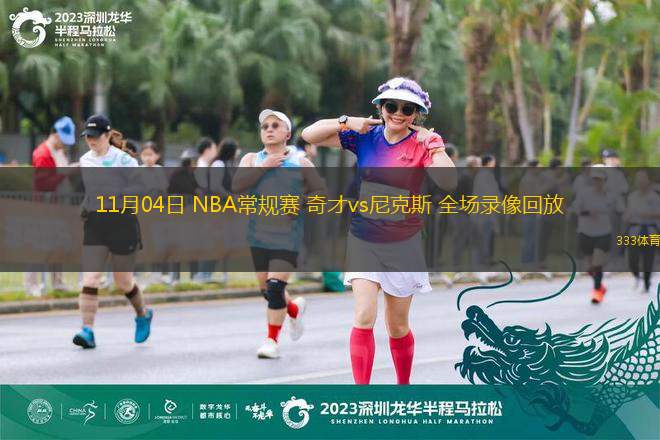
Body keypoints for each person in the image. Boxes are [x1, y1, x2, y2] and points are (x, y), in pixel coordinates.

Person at [301, 77, 456, 384]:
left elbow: (449, 181)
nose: (398, 113)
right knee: (363, 316)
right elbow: (309, 134)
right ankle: (363, 394)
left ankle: (403, 387)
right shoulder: (366, 136)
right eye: (391, 106)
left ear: (416, 114)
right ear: (381, 107)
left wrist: (434, 145)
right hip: (364, 238)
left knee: (397, 326)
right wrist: (346, 121)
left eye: (407, 109)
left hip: (404, 242)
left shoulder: (422, 144)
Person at [233, 109, 325, 359]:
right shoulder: (251, 159)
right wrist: (264, 167)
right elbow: (237, 186)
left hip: (288, 235)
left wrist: (301, 204)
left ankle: (271, 341)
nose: (269, 129)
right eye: (265, 126)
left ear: (287, 133)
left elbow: (320, 192)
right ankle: (293, 309)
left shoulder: (301, 162)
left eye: (275, 125)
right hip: (257, 234)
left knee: (275, 287)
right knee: (266, 289)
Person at [73, 114, 153, 349]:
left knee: (123, 281)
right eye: (87, 136)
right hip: (96, 223)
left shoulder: (124, 160)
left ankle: (143, 314)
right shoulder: (85, 160)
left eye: (95, 136)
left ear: (108, 135)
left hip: (122, 222)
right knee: (90, 278)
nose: (91, 140)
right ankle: (87, 330)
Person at [26, 116, 78, 296]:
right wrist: (66, 173)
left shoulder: (58, 152)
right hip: (44, 207)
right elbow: (42, 183)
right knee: (38, 247)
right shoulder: (43, 154)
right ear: (55, 135)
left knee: (58, 245)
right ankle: (32, 285)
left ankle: (57, 282)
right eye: (63, 140)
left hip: (58, 207)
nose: (65, 145)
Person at [571, 165, 623, 304]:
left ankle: (596, 292)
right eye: (595, 179)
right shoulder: (584, 193)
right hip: (586, 232)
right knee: (590, 267)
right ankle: (600, 286)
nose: (597, 182)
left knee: (597, 263)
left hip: (603, 233)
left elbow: (620, 208)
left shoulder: (611, 196)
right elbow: (576, 209)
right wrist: (588, 213)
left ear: (605, 180)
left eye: (600, 179)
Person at [624, 170, 660, 294]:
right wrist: (626, 217)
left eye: (643, 179)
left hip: (650, 230)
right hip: (635, 230)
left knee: (648, 258)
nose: (641, 182)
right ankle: (636, 275)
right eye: (639, 180)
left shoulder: (654, 197)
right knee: (632, 259)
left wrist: (647, 214)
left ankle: (646, 283)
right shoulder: (632, 197)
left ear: (648, 181)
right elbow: (628, 212)